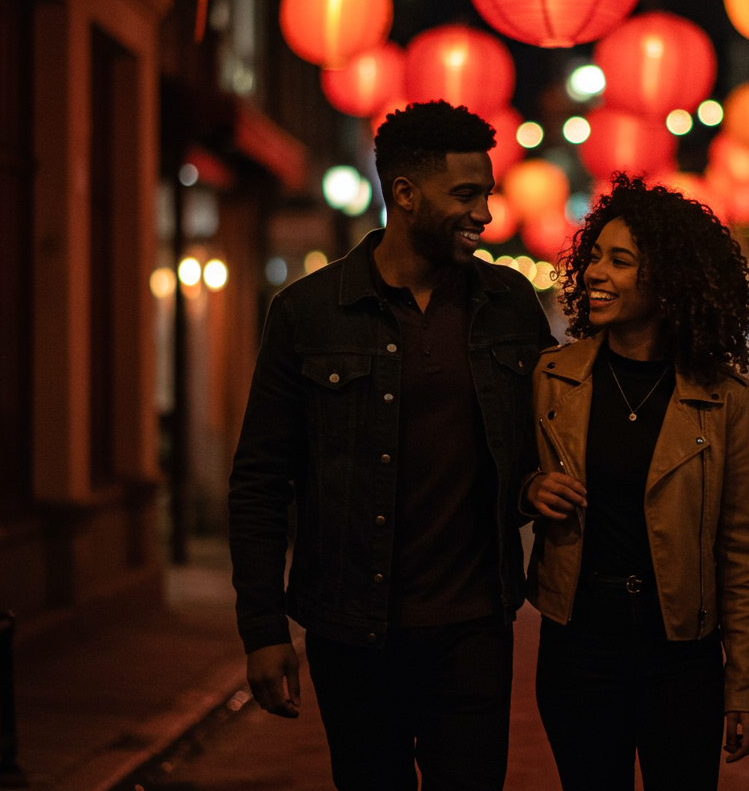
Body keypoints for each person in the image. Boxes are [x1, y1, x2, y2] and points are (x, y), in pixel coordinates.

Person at [228, 100, 555, 791]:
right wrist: (262, 628)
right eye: (466, 195)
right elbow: (261, 478)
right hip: (351, 631)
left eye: (487, 194)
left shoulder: (509, 305)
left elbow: (549, 438)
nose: (485, 214)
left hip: (473, 627)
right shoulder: (309, 312)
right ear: (404, 194)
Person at [525, 175, 749, 791]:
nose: (595, 274)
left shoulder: (723, 398)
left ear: (668, 279)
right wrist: (529, 488)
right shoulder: (552, 379)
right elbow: (496, 481)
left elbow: (741, 550)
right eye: (594, 257)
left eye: (620, 261)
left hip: (681, 653)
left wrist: (746, 683)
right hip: (578, 645)